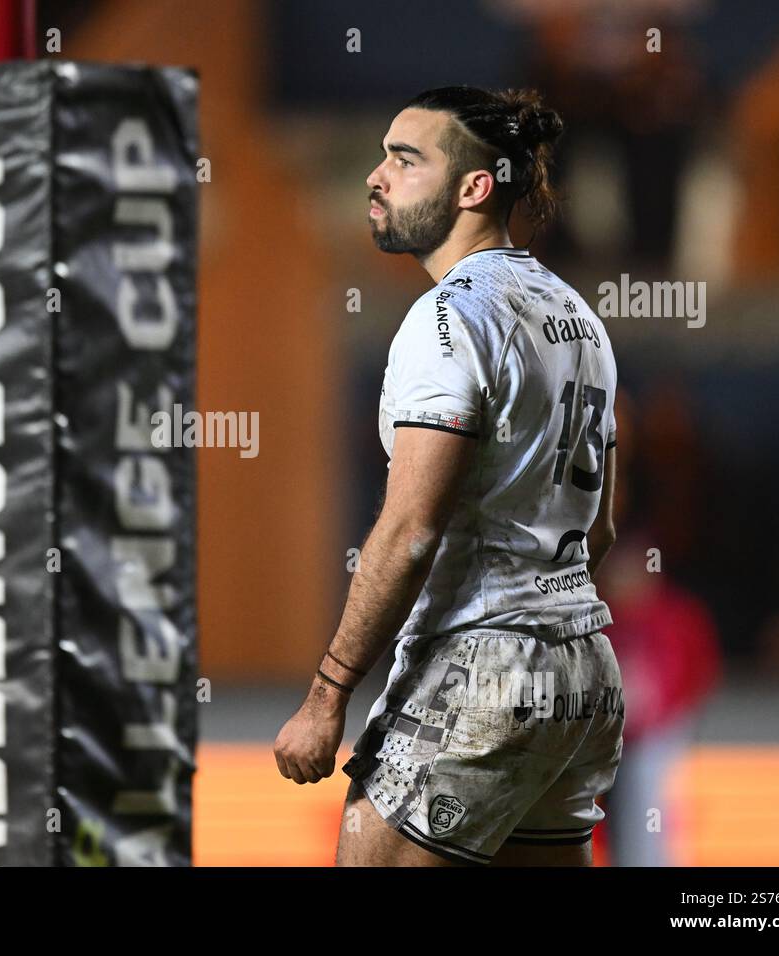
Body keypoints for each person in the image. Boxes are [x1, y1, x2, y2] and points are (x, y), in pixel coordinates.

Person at [273, 86, 625, 867]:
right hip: (584, 669)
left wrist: (327, 697)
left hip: (481, 670)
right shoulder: (578, 317)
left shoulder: (446, 320)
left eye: (404, 160)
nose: (375, 176)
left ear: (473, 188)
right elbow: (600, 526)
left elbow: (409, 531)